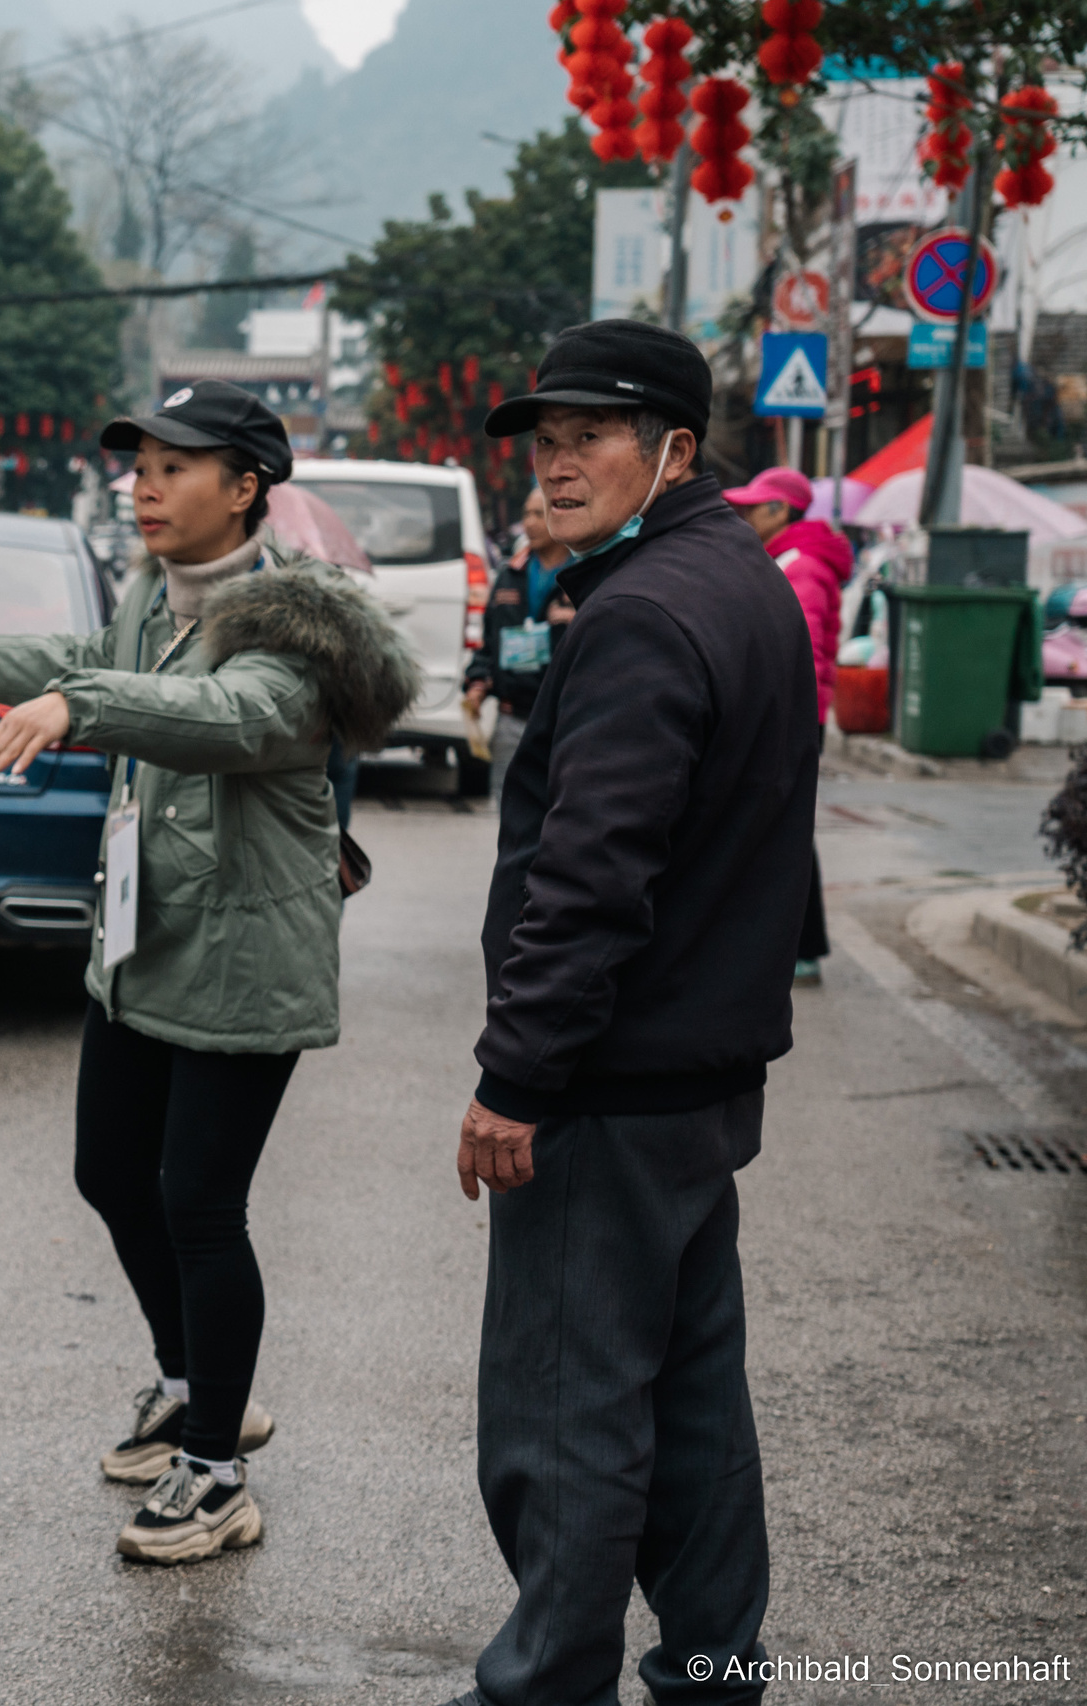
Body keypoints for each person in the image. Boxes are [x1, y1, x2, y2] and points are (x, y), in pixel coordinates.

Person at [0, 381, 418, 1565]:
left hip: (245, 955)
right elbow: (91, 652)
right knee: (106, 1168)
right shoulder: (149, 592)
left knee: (199, 1202)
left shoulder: (300, 627)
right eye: (137, 462)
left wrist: (79, 705)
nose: (143, 483)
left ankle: (218, 1471)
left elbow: (228, 715)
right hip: (144, 939)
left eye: (175, 465)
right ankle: (195, 1384)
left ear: (245, 488)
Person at [444, 322, 818, 1706]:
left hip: (611, 1086)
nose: (555, 463)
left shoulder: (650, 614)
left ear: (673, 451)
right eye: (544, 438)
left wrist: (518, 1077)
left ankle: (542, 1682)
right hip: (697, 1078)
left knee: (563, 1413)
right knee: (694, 1398)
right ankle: (715, 1665)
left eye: (591, 435)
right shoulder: (738, 581)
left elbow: (592, 880)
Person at [726, 464, 849, 987]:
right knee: (778, 827)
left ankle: (803, 949)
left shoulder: (799, 564)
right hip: (792, 712)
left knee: (785, 830)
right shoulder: (787, 558)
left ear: (781, 510)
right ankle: (793, 946)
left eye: (754, 506)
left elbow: (794, 651)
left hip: (790, 714)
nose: (745, 514)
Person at [462, 487, 574, 802]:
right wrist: (479, 682)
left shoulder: (583, 576)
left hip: (562, 722)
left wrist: (577, 618)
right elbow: (489, 642)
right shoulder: (510, 575)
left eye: (540, 514)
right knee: (509, 815)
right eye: (527, 514)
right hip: (512, 718)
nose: (530, 523)